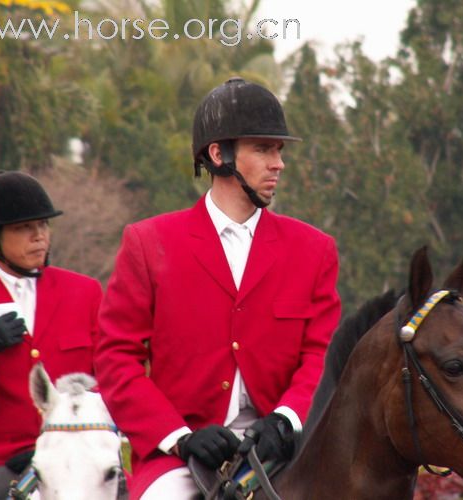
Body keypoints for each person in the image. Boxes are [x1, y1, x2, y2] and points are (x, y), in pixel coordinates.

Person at [95, 77, 341, 499]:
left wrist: (286, 418)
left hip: (286, 445)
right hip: (183, 455)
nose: (278, 163)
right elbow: (117, 359)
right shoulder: (148, 243)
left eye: (279, 150)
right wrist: (178, 436)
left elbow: (321, 352)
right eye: (263, 149)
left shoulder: (315, 249)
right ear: (219, 154)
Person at [0, 171, 103, 499]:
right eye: (24, 228)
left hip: (78, 459)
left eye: (43, 225)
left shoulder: (85, 292)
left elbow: (111, 374)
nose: (39, 236)